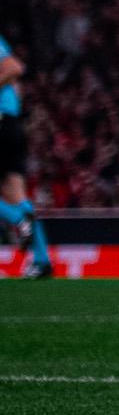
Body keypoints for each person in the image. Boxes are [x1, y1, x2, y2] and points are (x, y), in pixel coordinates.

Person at [0, 34, 48, 279]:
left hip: (3, 122)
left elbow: (13, 68)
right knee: (16, 192)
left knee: (17, 203)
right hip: (11, 124)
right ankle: (41, 261)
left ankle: (19, 221)